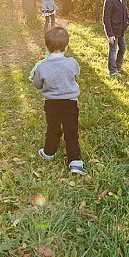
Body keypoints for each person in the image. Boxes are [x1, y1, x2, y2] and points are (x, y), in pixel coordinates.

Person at [31, 26, 86, 176]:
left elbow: (37, 84)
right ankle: (75, 162)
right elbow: (76, 75)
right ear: (66, 46)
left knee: (53, 129)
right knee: (71, 131)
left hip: (52, 104)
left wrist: (38, 71)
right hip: (70, 103)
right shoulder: (72, 62)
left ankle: (49, 153)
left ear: (47, 47)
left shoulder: (42, 66)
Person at [102, 0, 129, 77]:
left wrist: (127, 20)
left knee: (123, 48)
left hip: (121, 30)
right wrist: (110, 34)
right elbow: (106, 18)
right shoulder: (109, 1)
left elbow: (125, 11)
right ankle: (112, 71)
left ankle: (118, 65)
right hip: (113, 31)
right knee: (113, 50)